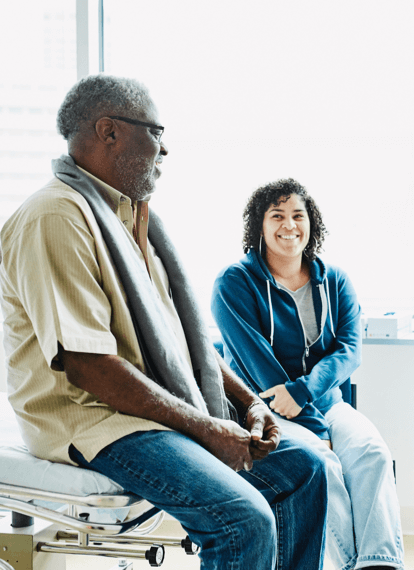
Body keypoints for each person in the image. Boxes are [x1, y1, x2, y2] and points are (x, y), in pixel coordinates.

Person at [0, 74, 328, 570]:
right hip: (96, 420)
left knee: (305, 470)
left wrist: (250, 405)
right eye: (155, 132)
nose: (164, 149)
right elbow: (90, 367)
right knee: (243, 519)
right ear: (109, 131)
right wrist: (207, 429)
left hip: (148, 410)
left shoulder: (134, 223)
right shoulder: (56, 217)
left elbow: (183, 347)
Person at [211, 178, 404, 570]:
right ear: (259, 227)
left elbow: (349, 351)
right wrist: (317, 431)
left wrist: (306, 394)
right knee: (323, 464)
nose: (289, 225)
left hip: (324, 404)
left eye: (298, 215)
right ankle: (346, 565)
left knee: (372, 455)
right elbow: (257, 365)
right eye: (277, 215)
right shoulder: (234, 283)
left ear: (311, 223)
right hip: (265, 411)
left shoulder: (335, 280)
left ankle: (379, 563)